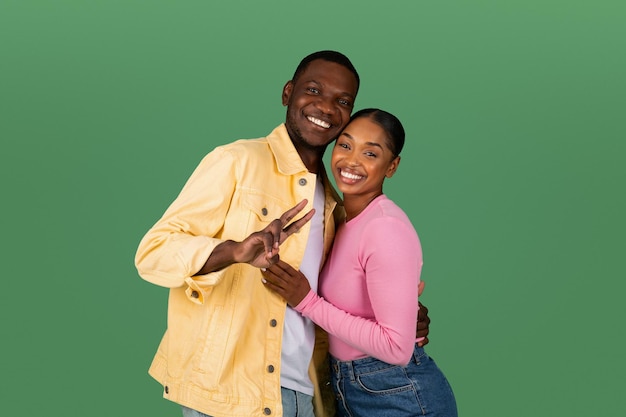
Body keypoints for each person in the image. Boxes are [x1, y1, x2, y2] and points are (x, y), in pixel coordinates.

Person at [135, 51, 431, 417]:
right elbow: (153, 253)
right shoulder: (237, 162)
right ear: (287, 93)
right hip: (230, 395)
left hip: (307, 397)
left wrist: (399, 317)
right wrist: (233, 251)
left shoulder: (335, 206)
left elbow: (328, 304)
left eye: (342, 101)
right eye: (313, 90)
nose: (325, 107)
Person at [262, 109, 458, 416]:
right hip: (349, 387)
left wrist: (307, 302)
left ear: (391, 166)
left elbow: (396, 346)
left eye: (370, 153)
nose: (352, 161)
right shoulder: (340, 219)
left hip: (398, 394)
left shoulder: (384, 227)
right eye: (345, 145)